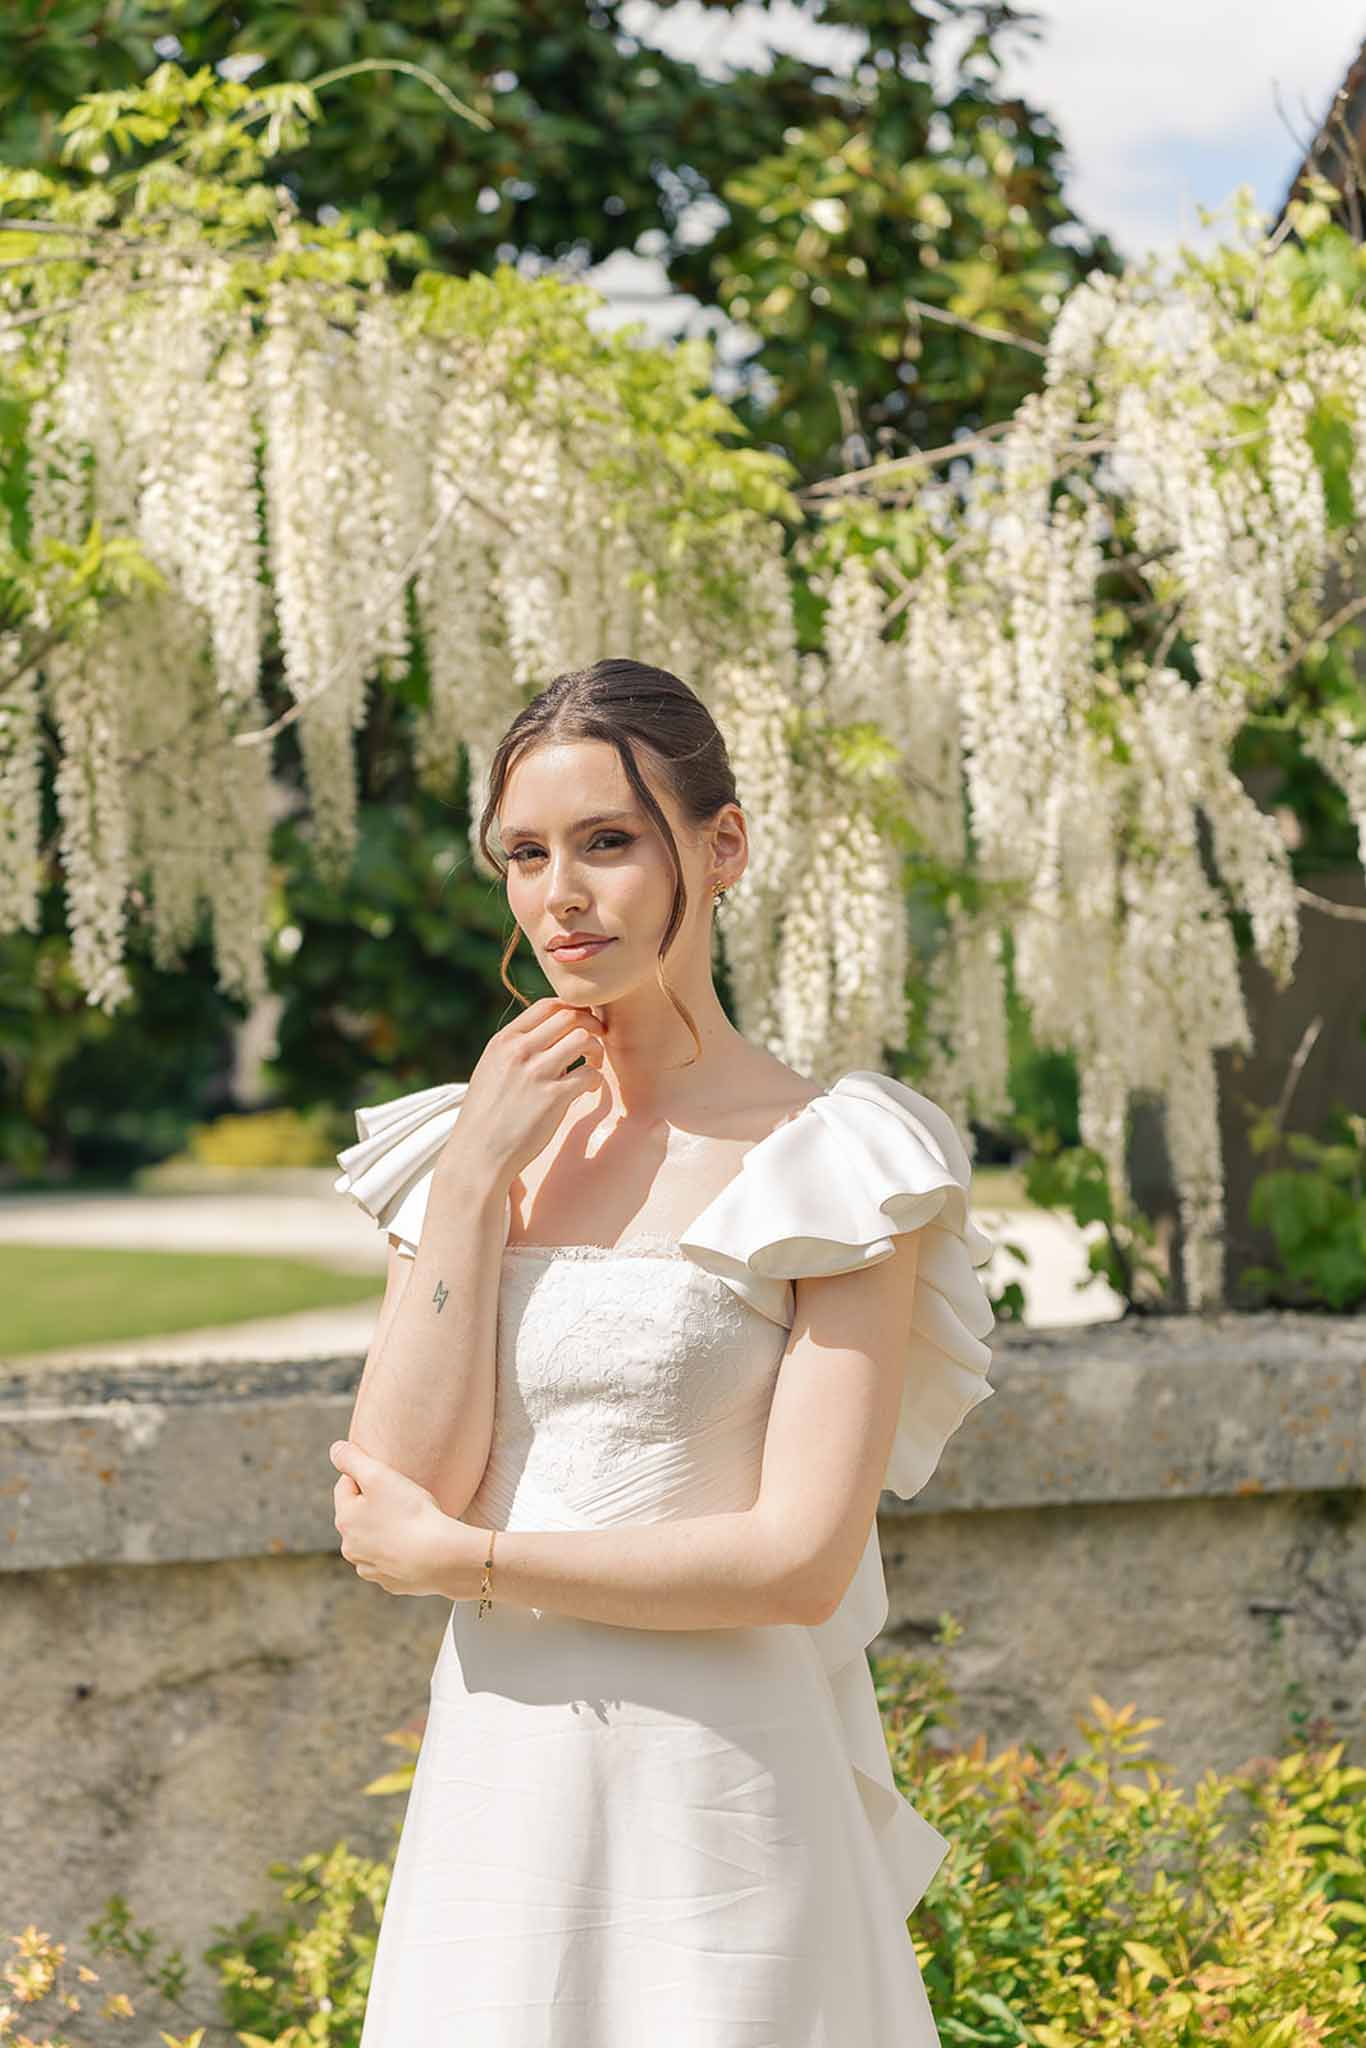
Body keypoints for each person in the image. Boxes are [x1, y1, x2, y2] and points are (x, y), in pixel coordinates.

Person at [329, 657, 998, 2046]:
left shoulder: (837, 1162)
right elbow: (391, 1488)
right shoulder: (468, 1142)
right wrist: (468, 1183)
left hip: (722, 1803)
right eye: (526, 853)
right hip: (499, 1792)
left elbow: (798, 1558)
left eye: (609, 842)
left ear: (723, 845)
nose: (560, 893)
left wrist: (479, 1563)